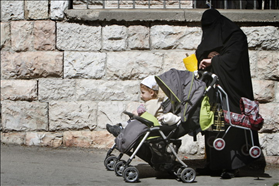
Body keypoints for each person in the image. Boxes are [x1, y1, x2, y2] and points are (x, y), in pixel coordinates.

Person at [196, 9, 262, 178]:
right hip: (214, 90)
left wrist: (213, 60)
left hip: (233, 92)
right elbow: (202, 52)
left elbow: (233, 60)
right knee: (215, 126)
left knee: (233, 125)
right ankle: (215, 164)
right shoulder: (217, 35)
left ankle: (233, 165)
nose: (207, 31)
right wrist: (204, 59)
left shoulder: (235, 36)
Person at [106, 75, 179, 137]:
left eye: (143, 93)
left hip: (151, 128)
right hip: (147, 126)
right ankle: (120, 127)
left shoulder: (153, 103)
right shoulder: (149, 102)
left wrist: (137, 115)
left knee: (133, 124)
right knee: (131, 122)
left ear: (151, 92)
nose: (141, 95)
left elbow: (149, 116)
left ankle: (121, 129)